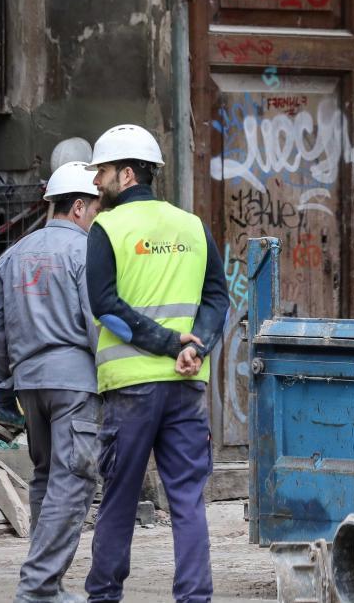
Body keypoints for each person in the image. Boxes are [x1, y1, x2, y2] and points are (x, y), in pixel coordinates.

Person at [82, 124, 229, 603]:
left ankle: (104, 595)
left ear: (126, 174)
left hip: (131, 389)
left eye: (102, 171)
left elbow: (104, 305)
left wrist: (168, 344)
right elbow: (216, 298)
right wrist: (196, 347)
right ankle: (194, 597)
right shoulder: (193, 225)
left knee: (121, 497)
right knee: (187, 499)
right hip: (187, 387)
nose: (96, 181)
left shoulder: (106, 228)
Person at [0, 161, 103, 603]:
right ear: (76, 206)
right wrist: (111, 377)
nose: (95, 216)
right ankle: (38, 587)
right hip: (75, 383)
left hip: (29, 382)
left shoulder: (13, 255)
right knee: (73, 481)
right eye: (93, 207)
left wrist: (2, 381)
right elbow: (95, 322)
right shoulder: (84, 252)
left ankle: (47, 584)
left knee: (47, 476)